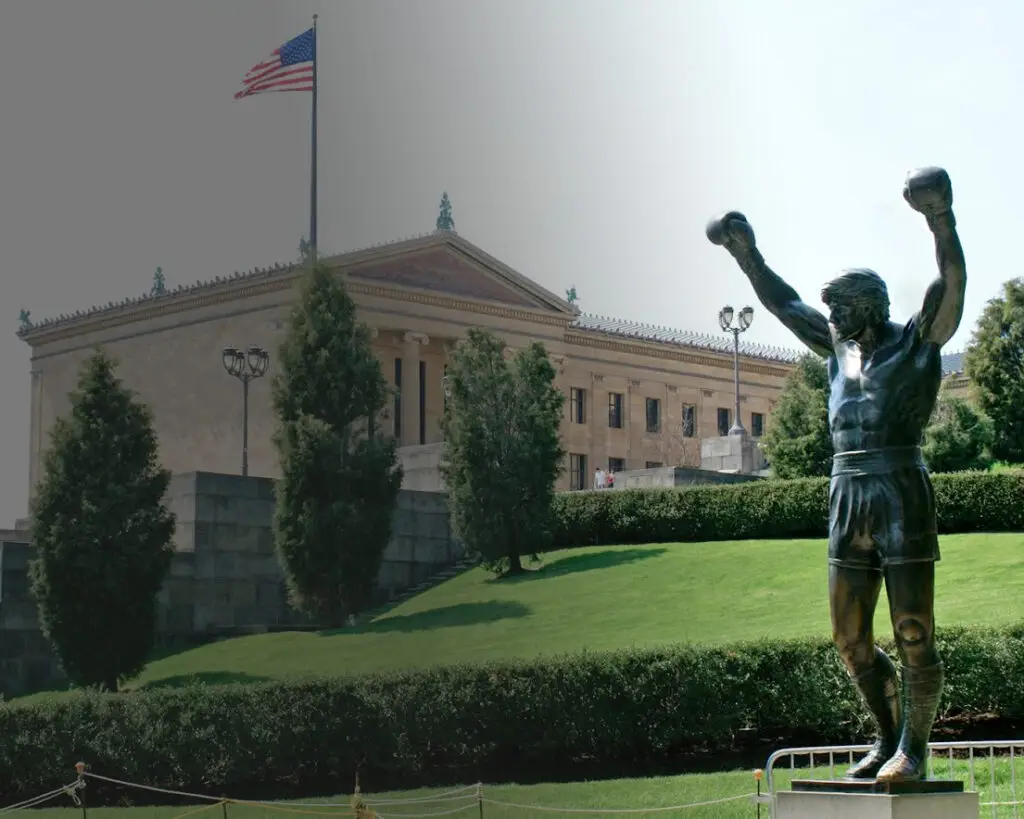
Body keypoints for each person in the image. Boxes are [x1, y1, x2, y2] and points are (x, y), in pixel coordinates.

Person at [705, 167, 966, 782]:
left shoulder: (917, 343)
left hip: (900, 487)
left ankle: (914, 750)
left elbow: (951, 283)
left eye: (841, 308)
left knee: (913, 631)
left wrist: (940, 218)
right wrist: (746, 254)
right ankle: (885, 738)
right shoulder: (837, 352)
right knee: (849, 639)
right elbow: (783, 302)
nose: (832, 316)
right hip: (847, 492)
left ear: (868, 307)